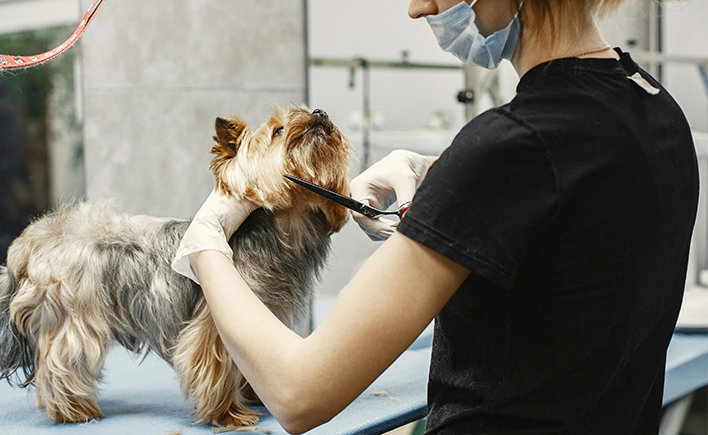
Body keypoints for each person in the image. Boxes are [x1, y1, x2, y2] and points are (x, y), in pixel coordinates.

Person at [173, 0, 699, 433]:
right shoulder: (654, 107)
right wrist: (436, 171)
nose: (418, 7)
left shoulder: (510, 148)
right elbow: (568, 185)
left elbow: (297, 394)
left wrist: (207, 243)